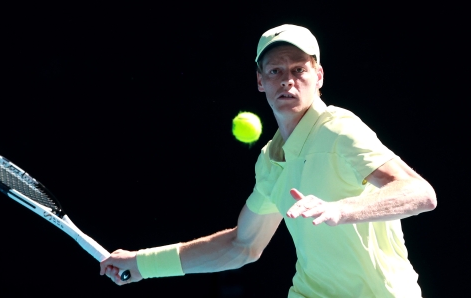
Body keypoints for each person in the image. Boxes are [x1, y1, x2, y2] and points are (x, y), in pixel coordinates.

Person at [99, 24, 437, 297]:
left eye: (298, 69)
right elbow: (242, 245)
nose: (287, 79)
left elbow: (419, 193)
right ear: (261, 81)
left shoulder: (340, 129)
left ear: (318, 77)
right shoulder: (271, 160)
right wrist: (143, 264)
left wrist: (341, 210)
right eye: (275, 70)